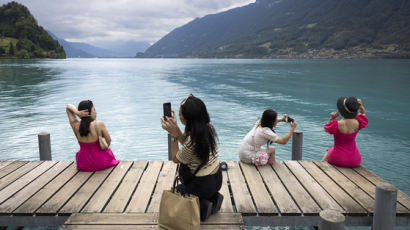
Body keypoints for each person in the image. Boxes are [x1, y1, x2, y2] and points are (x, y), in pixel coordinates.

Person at [160, 94, 223, 221]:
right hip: (217, 179)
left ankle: (202, 206)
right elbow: (190, 147)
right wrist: (177, 130)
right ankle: (210, 199)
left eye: (180, 114)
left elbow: (175, 158)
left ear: (189, 119)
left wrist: (172, 135)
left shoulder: (192, 141)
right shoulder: (208, 128)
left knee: (176, 194)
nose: (178, 116)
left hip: (202, 185)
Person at [66, 100, 119, 171]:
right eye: (94, 109)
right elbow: (108, 140)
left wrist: (77, 113)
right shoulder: (99, 124)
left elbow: (68, 107)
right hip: (101, 162)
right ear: (89, 113)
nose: (96, 112)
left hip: (83, 164)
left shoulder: (75, 126)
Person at [322, 97, 368, 167]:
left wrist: (332, 118)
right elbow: (363, 113)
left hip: (338, 158)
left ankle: (320, 165)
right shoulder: (359, 122)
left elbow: (326, 129)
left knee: (329, 151)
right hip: (355, 159)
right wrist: (360, 106)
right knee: (331, 150)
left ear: (341, 111)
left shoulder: (336, 124)